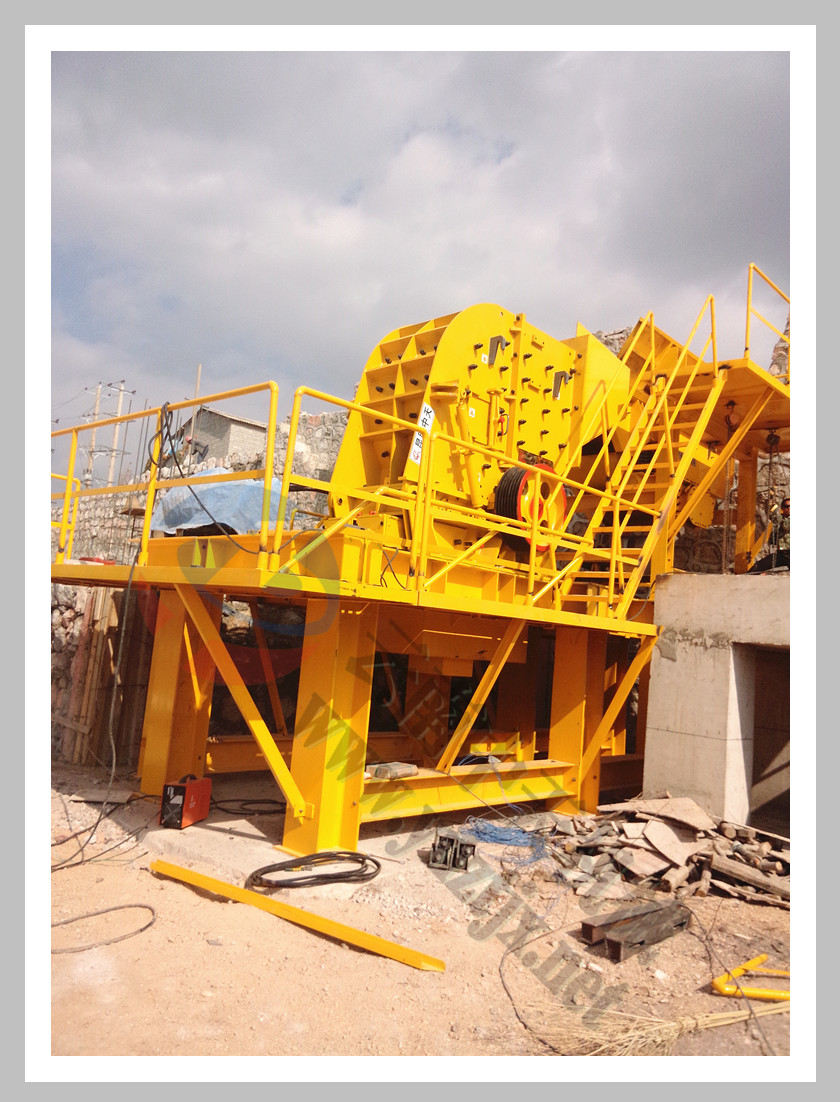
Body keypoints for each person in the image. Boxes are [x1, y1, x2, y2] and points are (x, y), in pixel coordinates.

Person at [749, 496, 790, 572]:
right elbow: (773, 518)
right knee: (759, 566)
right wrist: (771, 505)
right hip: (781, 554)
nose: (789, 508)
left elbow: (786, 526)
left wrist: (774, 510)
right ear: (783, 508)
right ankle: (745, 576)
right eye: (787, 506)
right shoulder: (780, 518)